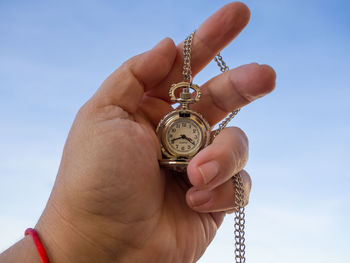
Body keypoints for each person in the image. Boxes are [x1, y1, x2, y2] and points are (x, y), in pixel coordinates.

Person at [0, 2, 276, 262]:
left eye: (187, 137)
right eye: (180, 136)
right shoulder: (159, 129)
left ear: (199, 135)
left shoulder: (192, 128)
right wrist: (76, 240)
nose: (182, 137)